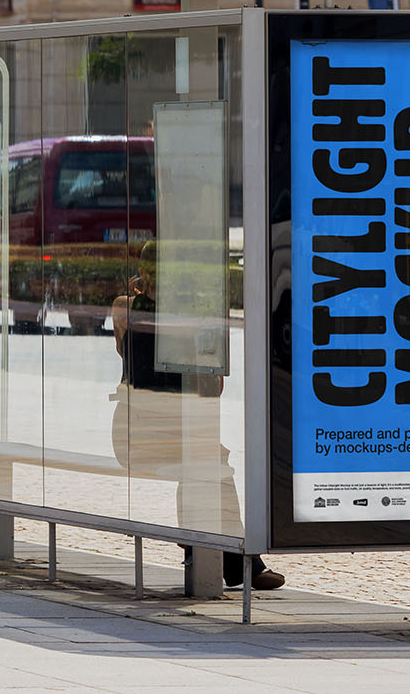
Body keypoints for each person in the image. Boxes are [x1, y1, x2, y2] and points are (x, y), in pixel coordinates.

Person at [110, 241, 285, 592]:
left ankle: (205, 552)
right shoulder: (176, 319)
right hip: (147, 432)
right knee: (209, 462)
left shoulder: (125, 308)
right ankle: (228, 560)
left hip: (137, 429)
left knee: (206, 461)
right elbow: (213, 387)